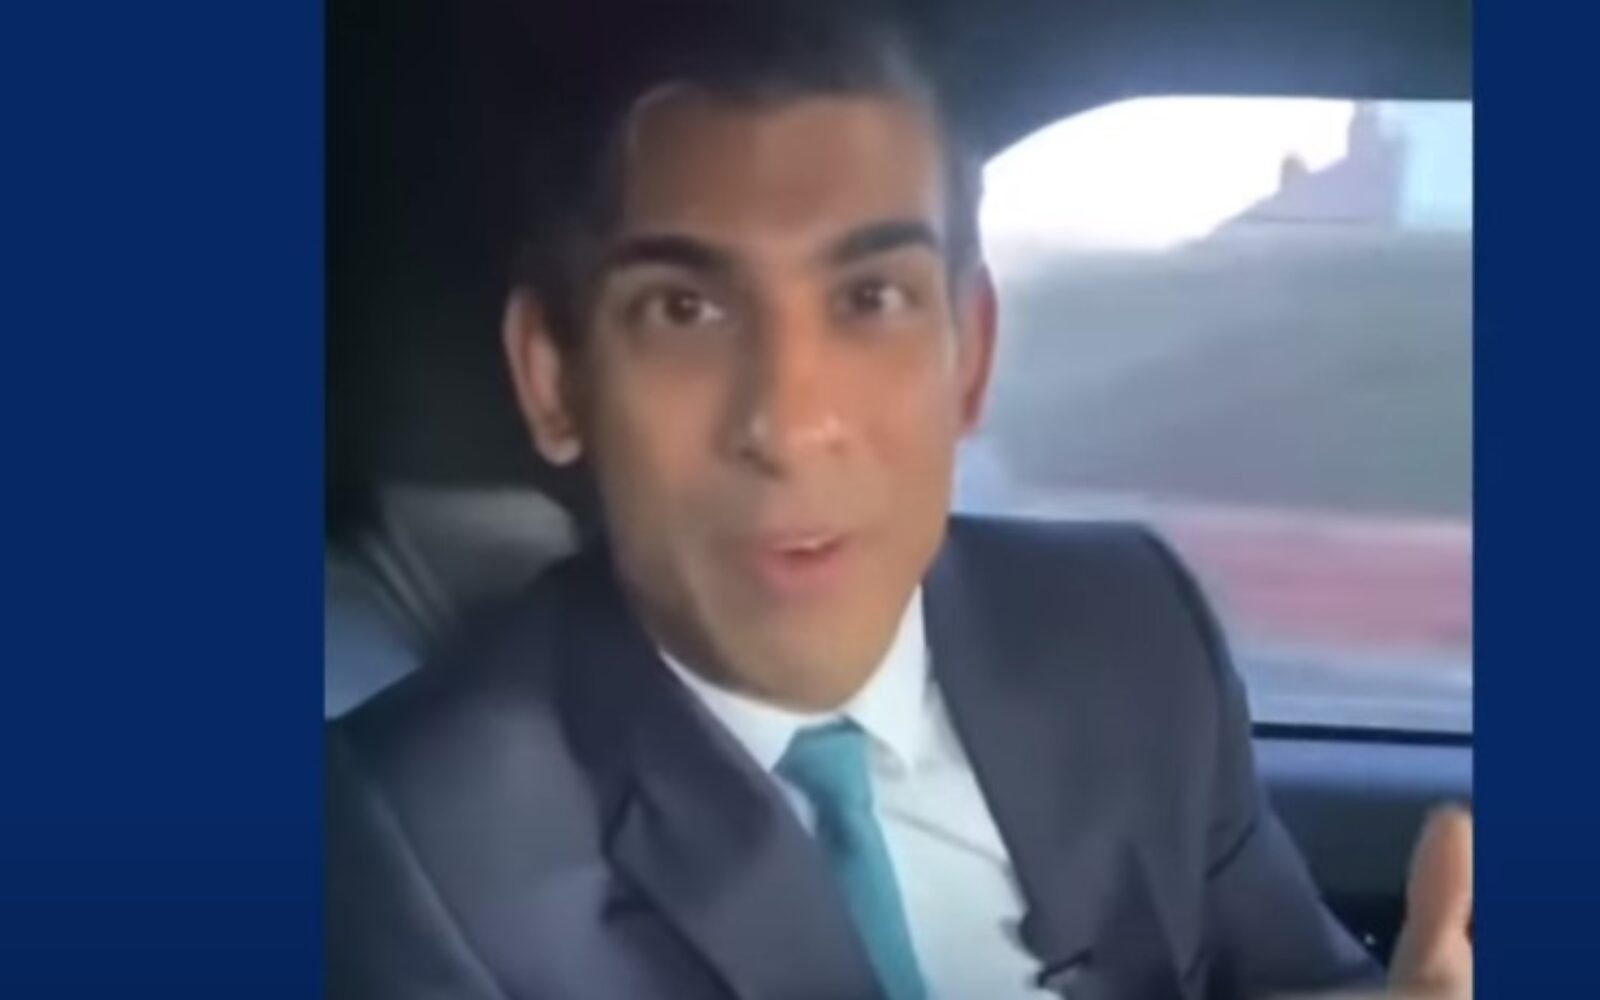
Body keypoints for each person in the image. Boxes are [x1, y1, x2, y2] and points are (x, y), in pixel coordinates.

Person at [325, 3, 1472, 997]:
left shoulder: (1129, 626)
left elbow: (1284, 970)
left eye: (870, 298)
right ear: (553, 379)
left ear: (969, 358)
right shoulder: (420, 841)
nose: (789, 422)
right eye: (684, 310)